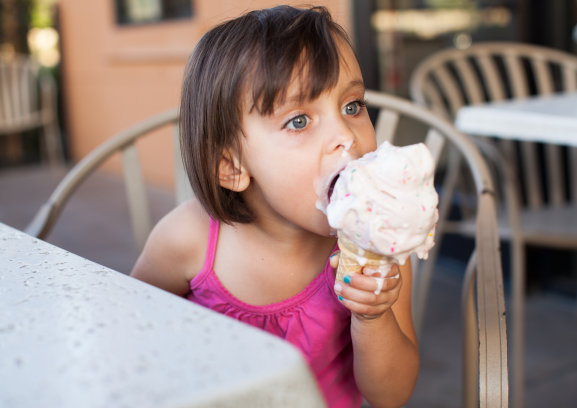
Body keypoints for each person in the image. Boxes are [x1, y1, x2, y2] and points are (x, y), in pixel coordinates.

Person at [131, 5, 418, 407]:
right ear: (231, 166)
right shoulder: (188, 241)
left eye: (352, 106)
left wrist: (373, 317)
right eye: (299, 120)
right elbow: (127, 336)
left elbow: (392, 395)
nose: (345, 136)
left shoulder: (377, 245)